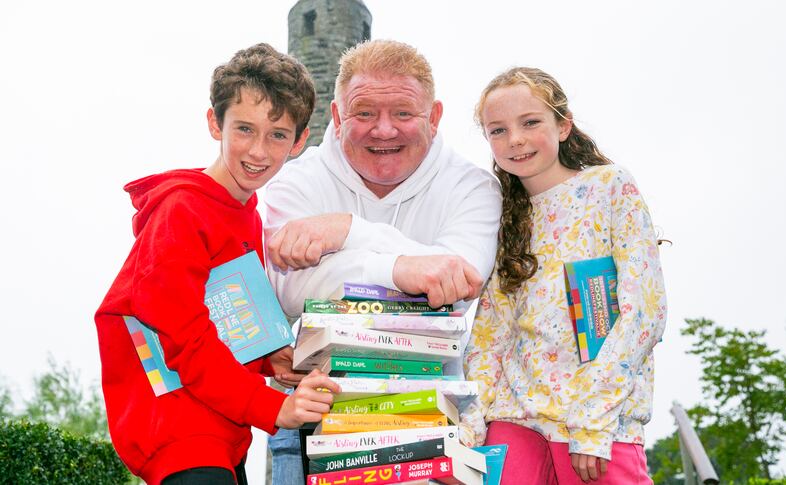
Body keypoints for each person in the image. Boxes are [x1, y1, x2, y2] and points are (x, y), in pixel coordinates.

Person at [94, 43, 339, 485]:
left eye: (278, 134)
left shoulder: (249, 214)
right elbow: (185, 336)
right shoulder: (182, 211)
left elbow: (227, 313)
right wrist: (274, 407)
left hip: (224, 431)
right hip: (181, 435)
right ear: (215, 123)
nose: (259, 151)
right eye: (244, 128)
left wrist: (270, 358)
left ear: (300, 141)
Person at [262, 40, 502, 482]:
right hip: (311, 413)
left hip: (429, 415)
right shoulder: (294, 182)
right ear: (336, 117)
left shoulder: (472, 188)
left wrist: (347, 233)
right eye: (365, 113)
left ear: (434, 117)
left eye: (404, 114)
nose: (384, 130)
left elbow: (458, 283)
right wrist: (398, 269)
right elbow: (286, 289)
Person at [460, 67, 667, 485]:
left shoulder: (610, 187)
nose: (514, 139)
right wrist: (472, 419)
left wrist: (595, 418)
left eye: (530, 122)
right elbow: (491, 332)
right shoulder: (502, 217)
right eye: (497, 130)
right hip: (513, 416)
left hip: (594, 422)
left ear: (563, 125)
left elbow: (644, 310)